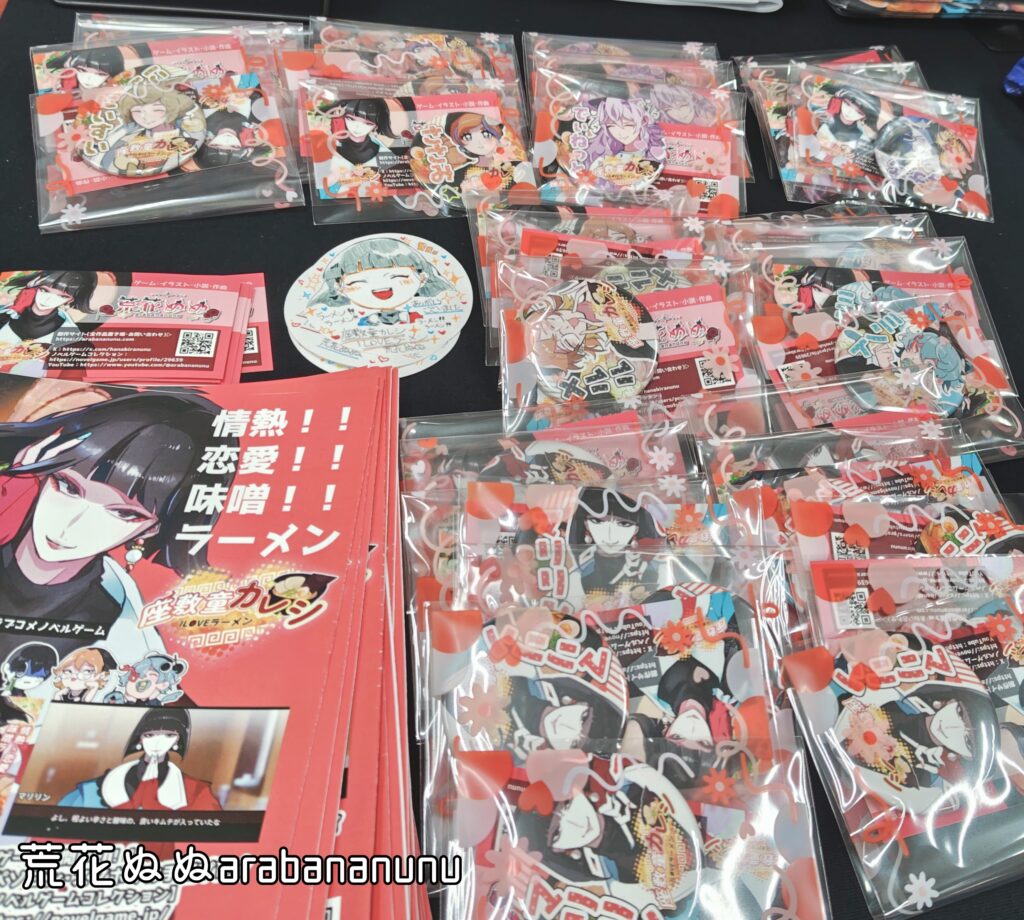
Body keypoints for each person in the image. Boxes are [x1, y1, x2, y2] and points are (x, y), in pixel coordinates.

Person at [0, 390, 237, 670]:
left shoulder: (116, 618)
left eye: (123, 513)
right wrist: (14, 484)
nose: (71, 524)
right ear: (42, 468)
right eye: (67, 486)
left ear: (151, 529)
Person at [58, 708, 221, 810]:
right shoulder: (92, 790)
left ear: (177, 740)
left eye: (169, 735)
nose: (158, 742)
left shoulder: (197, 792)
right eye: (149, 735)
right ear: (140, 739)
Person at [52, 646, 117, 702]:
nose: (74, 676)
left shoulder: (88, 692)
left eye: (86, 672)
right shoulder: (65, 692)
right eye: (68, 671)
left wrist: (95, 687)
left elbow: (87, 701)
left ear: (100, 675)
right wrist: (57, 695)